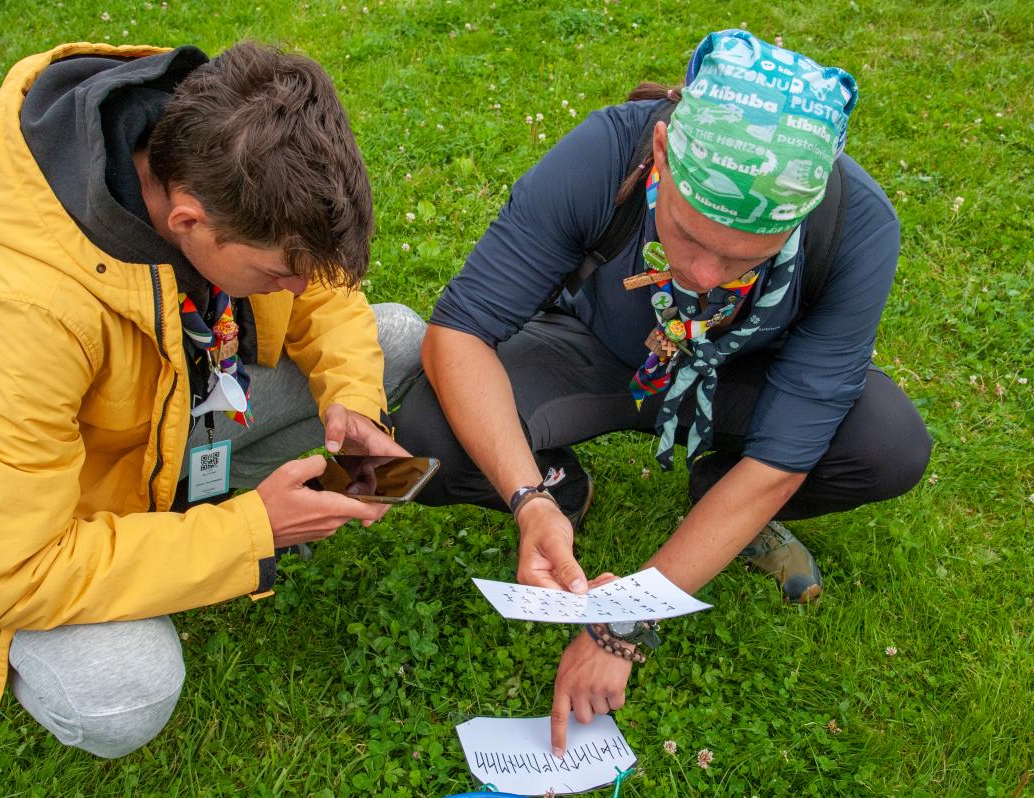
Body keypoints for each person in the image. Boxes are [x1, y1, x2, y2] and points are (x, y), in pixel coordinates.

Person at [394, 30, 930, 754]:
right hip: (596, 351)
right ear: (663, 150)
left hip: (742, 380)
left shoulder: (858, 225)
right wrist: (528, 497)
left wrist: (622, 624)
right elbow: (458, 333)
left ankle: (720, 493)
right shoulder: (604, 155)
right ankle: (561, 487)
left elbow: (786, 456)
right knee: (429, 429)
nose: (704, 277)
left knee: (885, 444)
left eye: (746, 257)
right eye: (685, 234)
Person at [0, 41, 426, 757]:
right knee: (123, 694)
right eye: (277, 274)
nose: (299, 291)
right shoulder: (15, 309)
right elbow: (10, 572)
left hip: (172, 418)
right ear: (185, 223)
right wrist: (253, 532)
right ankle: (107, 597)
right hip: (43, 522)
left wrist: (353, 401)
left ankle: (185, 503)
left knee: (391, 338)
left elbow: (322, 290)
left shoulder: (220, 146)